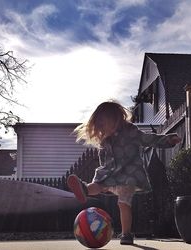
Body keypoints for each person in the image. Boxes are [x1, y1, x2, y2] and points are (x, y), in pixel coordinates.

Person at [67, 101, 181, 245]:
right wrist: (105, 177)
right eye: (99, 126)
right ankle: (84, 189)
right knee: (98, 184)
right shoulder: (105, 140)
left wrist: (168, 140)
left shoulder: (130, 131)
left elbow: (149, 139)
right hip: (111, 172)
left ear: (115, 119)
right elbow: (104, 160)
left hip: (129, 175)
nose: (101, 129)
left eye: (103, 124)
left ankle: (126, 234)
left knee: (123, 204)